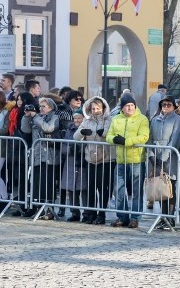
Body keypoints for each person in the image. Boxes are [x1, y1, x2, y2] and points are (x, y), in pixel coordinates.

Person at [106, 92, 149, 228]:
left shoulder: (142, 119)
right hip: (120, 160)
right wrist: (114, 140)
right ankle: (122, 216)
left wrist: (126, 141)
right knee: (118, 190)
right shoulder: (116, 119)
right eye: (127, 106)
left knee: (137, 191)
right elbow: (108, 136)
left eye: (132, 105)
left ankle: (135, 217)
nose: (130, 108)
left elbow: (143, 137)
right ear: (122, 108)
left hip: (136, 160)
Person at [76, 96, 114, 224]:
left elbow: (108, 134)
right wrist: (82, 132)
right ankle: (91, 213)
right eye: (93, 108)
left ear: (103, 108)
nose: (95, 110)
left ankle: (101, 214)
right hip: (91, 158)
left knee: (102, 187)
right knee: (91, 187)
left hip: (106, 159)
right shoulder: (87, 121)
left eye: (98, 108)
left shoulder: (109, 119)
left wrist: (102, 132)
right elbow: (76, 136)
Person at [147, 95, 180, 225]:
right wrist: (152, 155)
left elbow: (175, 140)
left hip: (170, 157)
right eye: (163, 105)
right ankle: (162, 217)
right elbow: (150, 138)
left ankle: (170, 217)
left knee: (169, 187)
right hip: (156, 155)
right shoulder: (155, 120)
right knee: (159, 187)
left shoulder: (177, 120)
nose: (166, 107)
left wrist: (163, 158)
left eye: (169, 104)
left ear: (174, 106)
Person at [25, 97, 61, 219]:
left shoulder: (54, 117)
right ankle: (38, 208)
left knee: (48, 184)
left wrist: (36, 117)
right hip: (37, 156)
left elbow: (48, 128)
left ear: (50, 107)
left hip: (49, 156)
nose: (40, 109)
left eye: (43, 106)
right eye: (39, 106)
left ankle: (50, 210)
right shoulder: (37, 118)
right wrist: (26, 116)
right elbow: (25, 129)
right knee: (36, 183)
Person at [60, 110, 89, 222]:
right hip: (71, 162)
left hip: (82, 162)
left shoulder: (86, 129)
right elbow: (63, 146)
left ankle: (87, 213)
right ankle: (74, 212)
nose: (77, 120)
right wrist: (71, 150)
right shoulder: (69, 130)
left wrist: (80, 149)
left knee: (84, 189)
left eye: (79, 118)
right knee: (72, 189)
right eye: (75, 118)